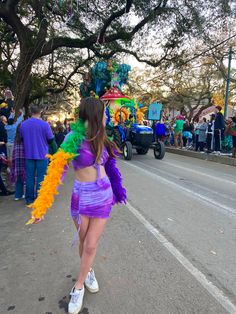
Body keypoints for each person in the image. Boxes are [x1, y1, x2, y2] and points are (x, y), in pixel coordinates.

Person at [26, 98, 127, 314]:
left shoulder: (102, 136)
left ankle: (78, 286)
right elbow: (56, 170)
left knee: (90, 245)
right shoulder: (73, 138)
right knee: (83, 241)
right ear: (93, 115)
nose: (107, 116)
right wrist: (40, 208)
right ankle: (88, 271)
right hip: (82, 196)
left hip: (103, 195)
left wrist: (117, 191)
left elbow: (110, 166)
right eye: (104, 113)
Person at [20, 104, 54, 204]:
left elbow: (22, 138)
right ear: (40, 112)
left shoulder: (23, 124)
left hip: (28, 154)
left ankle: (29, 199)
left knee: (29, 177)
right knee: (41, 177)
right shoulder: (45, 125)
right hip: (42, 154)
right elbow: (51, 139)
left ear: (30, 112)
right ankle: (40, 199)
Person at [10, 124, 25, 200]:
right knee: (24, 175)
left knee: (18, 176)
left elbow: (13, 149)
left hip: (16, 158)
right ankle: (22, 194)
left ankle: (17, 195)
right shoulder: (24, 138)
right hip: (24, 158)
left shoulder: (16, 138)